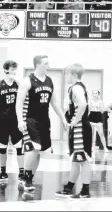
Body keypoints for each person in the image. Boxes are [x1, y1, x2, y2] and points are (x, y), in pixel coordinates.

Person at [16, 55, 68, 191]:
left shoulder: (50, 81)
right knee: (33, 149)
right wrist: (20, 120)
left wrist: (63, 119)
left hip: (44, 121)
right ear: (38, 65)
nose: (48, 66)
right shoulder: (27, 81)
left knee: (39, 151)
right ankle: (25, 177)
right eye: (46, 63)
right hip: (30, 119)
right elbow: (19, 103)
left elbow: (55, 103)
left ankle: (29, 177)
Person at [55, 63, 92, 199]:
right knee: (76, 159)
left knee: (83, 159)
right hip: (79, 127)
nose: (66, 77)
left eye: (67, 74)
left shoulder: (76, 87)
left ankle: (85, 190)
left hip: (80, 128)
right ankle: (69, 187)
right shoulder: (77, 87)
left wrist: (75, 121)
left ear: (74, 75)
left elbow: (83, 104)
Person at [0, 60, 24, 183]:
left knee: (19, 147)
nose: (14, 71)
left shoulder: (18, 84)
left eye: (15, 69)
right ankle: (3, 172)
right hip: (3, 120)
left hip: (16, 120)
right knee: (2, 147)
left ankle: (22, 173)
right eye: (12, 69)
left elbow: (25, 92)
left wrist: (17, 80)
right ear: (6, 70)